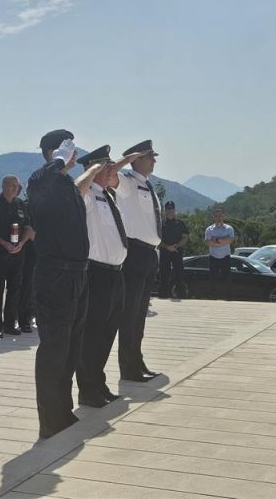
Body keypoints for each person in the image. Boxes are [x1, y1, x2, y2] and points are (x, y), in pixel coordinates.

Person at [27, 129, 100, 439]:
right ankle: (49, 417)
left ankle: (62, 409)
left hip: (76, 273)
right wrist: (56, 161)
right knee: (55, 346)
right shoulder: (41, 180)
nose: (73, 154)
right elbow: (40, 182)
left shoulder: (64, 184)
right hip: (55, 274)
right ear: (55, 152)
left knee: (71, 345)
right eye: (69, 149)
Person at [75, 146, 127, 408]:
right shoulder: (87, 195)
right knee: (92, 334)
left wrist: (106, 169)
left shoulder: (107, 195)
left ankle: (98, 382)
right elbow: (77, 188)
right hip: (96, 273)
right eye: (106, 167)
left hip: (115, 274)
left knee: (107, 333)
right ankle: (87, 389)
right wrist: (92, 168)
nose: (111, 171)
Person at [111, 140, 162, 382]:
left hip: (150, 254)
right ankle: (127, 367)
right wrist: (128, 158)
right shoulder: (127, 182)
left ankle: (136, 359)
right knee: (130, 313)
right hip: (134, 253)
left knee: (140, 313)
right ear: (137, 159)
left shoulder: (147, 185)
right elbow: (109, 175)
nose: (154, 160)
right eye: (150, 156)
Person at [0, 176, 32, 338]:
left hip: (17, 254)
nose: (14, 188)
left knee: (15, 290)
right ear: (3, 185)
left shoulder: (20, 204)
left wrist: (22, 243)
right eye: (11, 185)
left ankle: (10, 324)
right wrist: (3, 243)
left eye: (16, 185)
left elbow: (27, 227)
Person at [159, 201, 189, 298]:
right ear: (165, 210)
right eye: (168, 209)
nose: (169, 211)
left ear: (174, 210)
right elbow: (157, 239)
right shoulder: (161, 224)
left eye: (171, 209)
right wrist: (167, 247)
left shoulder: (180, 223)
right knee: (163, 274)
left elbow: (185, 237)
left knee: (179, 274)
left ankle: (181, 295)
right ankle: (163, 296)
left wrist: (176, 246)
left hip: (177, 251)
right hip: (164, 251)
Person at [205, 208, 235, 298]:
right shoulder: (209, 229)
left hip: (225, 257)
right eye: (216, 215)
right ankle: (213, 299)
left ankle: (228, 299)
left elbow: (230, 240)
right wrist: (222, 241)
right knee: (213, 280)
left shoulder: (229, 228)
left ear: (223, 216)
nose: (218, 217)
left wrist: (216, 240)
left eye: (220, 215)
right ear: (213, 217)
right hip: (213, 257)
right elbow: (207, 243)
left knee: (228, 280)